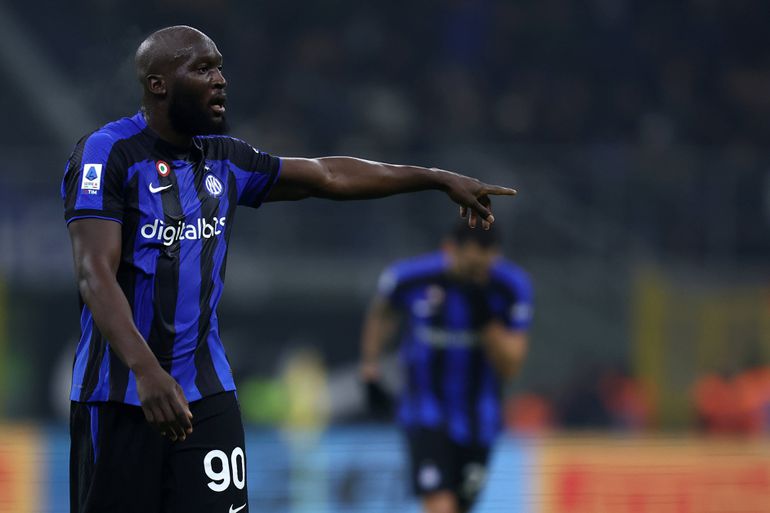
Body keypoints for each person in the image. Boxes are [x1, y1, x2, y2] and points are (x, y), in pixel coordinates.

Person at [60, 25, 516, 513]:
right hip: (117, 396)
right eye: (203, 68)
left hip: (205, 394)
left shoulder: (224, 159)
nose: (220, 80)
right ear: (158, 85)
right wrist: (146, 371)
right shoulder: (108, 154)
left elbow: (328, 175)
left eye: (220, 67)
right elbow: (94, 276)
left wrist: (434, 177)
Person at [360, 222, 532, 513]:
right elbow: (382, 312)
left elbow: (511, 366)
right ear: (451, 249)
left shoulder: (510, 287)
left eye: (485, 267)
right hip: (425, 410)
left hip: (481, 419)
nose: (479, 275)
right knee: (440, 505)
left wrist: (484, 317)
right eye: (472, 266)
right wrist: (369, 368)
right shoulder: (411, 277)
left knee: (460, 507)